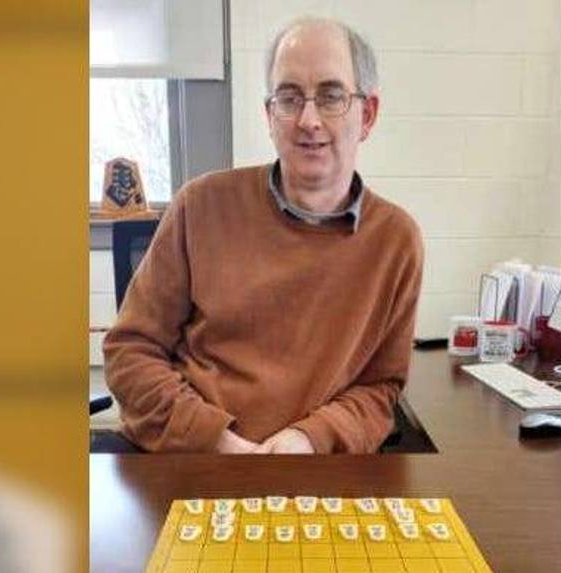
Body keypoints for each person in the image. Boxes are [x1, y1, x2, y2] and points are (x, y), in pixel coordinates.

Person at [103, 16, 423, 454]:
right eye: (289, 98)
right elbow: (131, 352)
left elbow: (380, 388)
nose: (308, 120)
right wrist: (213, 439)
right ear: (270, 116)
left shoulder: (395, 241)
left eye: (331, 97)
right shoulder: (200, 206)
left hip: (314, 472)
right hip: (191, 461)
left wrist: (308, 439)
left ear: (366, 115)